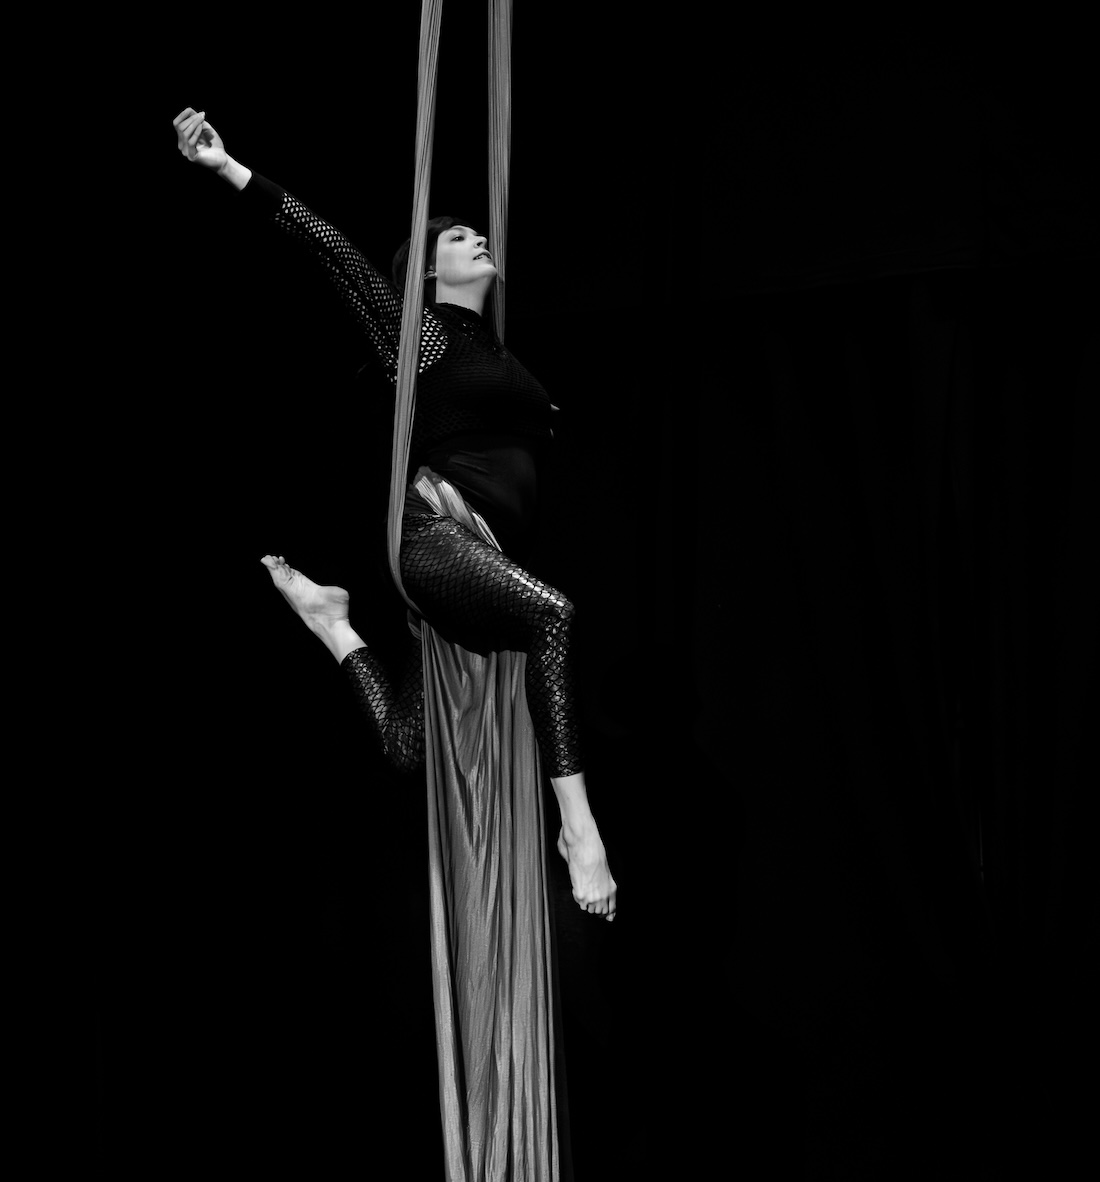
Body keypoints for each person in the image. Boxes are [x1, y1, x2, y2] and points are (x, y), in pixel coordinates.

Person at [171, 107, 617, 921]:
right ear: (425, 272)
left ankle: (334, 624)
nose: (477, 237)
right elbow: (328, 244)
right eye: (457, 237)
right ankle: (579, 832)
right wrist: (227, 166)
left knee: (408, 748)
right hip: (434, 539)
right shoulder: (423, 338)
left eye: (478, 233)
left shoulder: (500, 352)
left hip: (478, 561)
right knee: (554, 616)